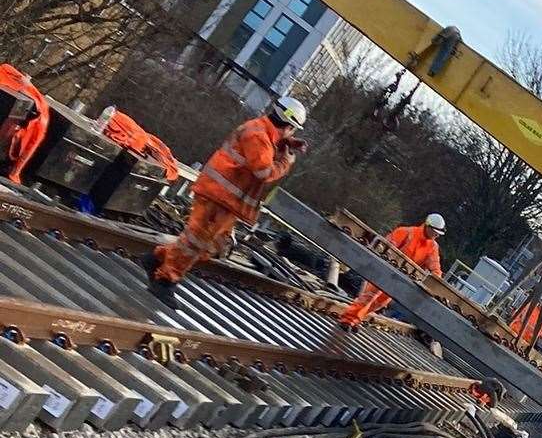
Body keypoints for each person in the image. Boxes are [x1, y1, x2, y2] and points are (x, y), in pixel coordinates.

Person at [149, 96, 306, 288]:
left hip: (225, 198)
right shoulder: (259, 136)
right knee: (195, 242)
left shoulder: (262, 131)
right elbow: (263, 171)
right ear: (289, 126)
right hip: (218, 195)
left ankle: (158, 258)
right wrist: (284, 163)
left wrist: (287, 143)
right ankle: (165, 280)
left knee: (209, 246)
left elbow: (268, 147)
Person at [338, 213, 446, 327]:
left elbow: (435, 267)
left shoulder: (433, 247)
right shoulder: (406, 232)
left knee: (380, 302)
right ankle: (348, 320)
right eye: (435, 232)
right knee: (369, 296)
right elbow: (386, 246)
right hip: (383, 271)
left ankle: (355, 319)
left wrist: (436, 284)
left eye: (438, 234)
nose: (436, 235)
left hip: (399, 280)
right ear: (427, 226)